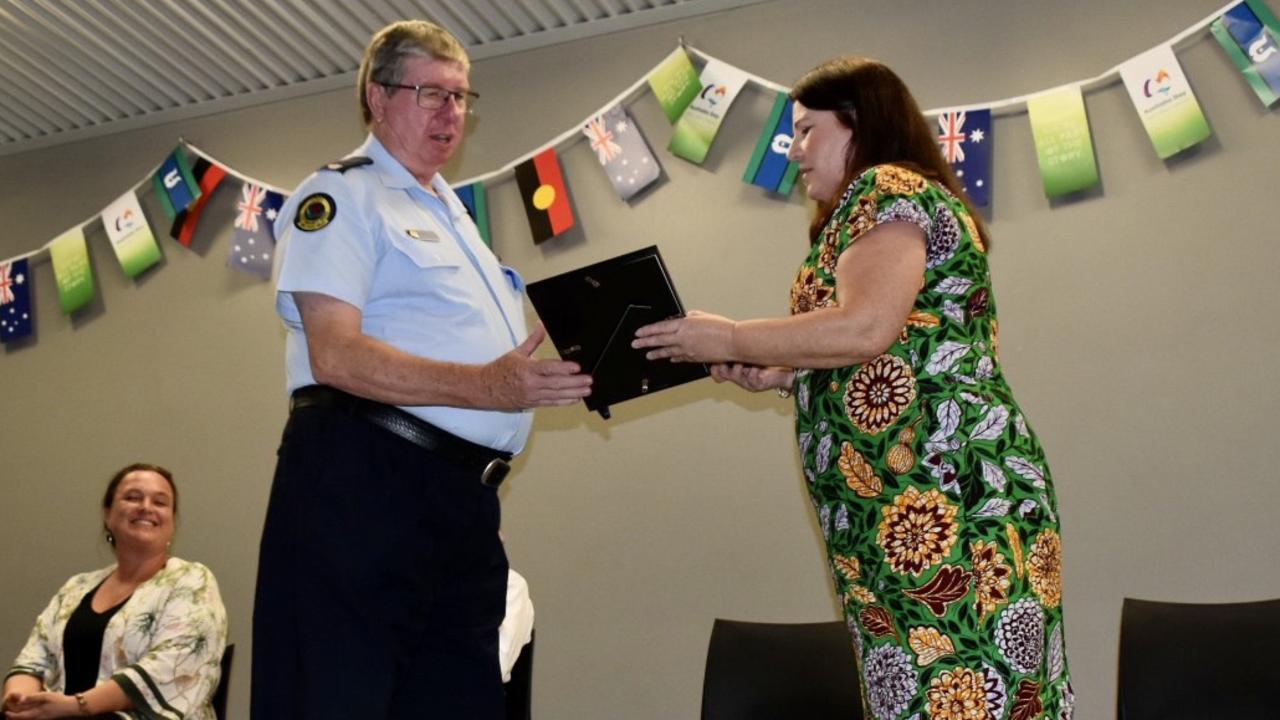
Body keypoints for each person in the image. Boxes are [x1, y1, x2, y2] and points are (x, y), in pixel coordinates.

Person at [634, 56, 1073, 719]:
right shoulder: (857, 214)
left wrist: (728, 338)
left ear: (859, 124)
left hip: (950, 505)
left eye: (808, 130)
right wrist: (787, 373)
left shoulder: (888, 188)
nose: (796, 150)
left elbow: (865, 326)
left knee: (962, 698)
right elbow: (882, 345)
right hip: (898, 514)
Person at [252, 20, 592, 719]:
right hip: (365, 481)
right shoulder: (341, 195)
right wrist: (488, 388)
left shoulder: (454, 216)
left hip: (458, 502)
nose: (452, 114)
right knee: (342, 696)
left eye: (463, 97)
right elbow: (335, 354)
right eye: (431, 93)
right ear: (377, 97)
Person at [3, 463, 227, 720]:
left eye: (160, 502)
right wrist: (20, 700)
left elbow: (169, 668)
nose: (146, 506)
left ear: (172, 522)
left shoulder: (192, 580)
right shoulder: (76, 587)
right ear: (108, 515)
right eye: (133, 497)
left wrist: (75, 706)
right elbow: (34, 659)